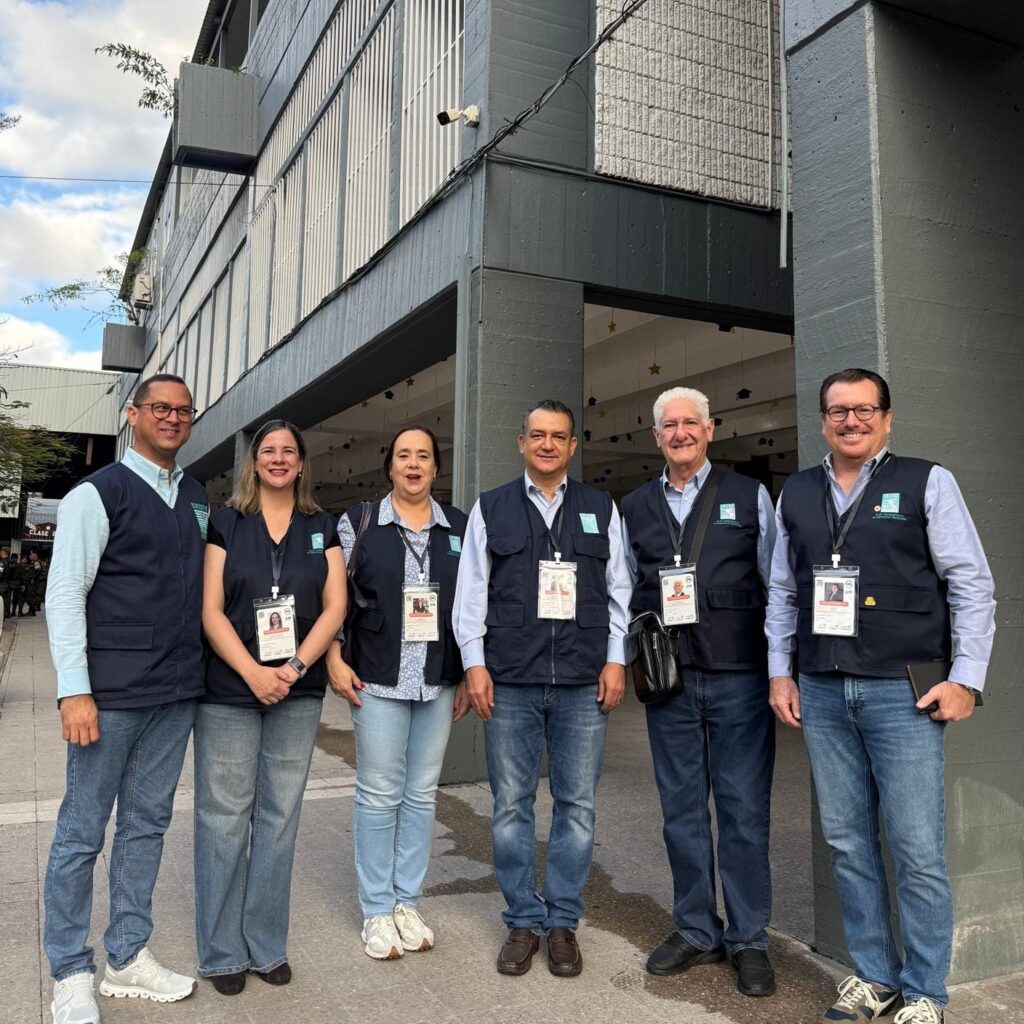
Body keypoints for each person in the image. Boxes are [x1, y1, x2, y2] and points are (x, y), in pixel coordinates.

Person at [766, 368, 996, 1024]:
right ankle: (874, 978)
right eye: (838, 411)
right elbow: (784, 590)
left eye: (865, 410)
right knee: (846, 840)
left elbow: (971, 584)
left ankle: (926, 992)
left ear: (887, 419)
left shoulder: (929, 481)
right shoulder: (799, 492)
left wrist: (967, 678)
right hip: (823, 688)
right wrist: (781, 672)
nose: (851, 421)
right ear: (822, 422)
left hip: (905, 694)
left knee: (916, 846)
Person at [43, 374, 206, 1024]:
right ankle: (69, 968)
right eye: (159, 408)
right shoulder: (97, 494)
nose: (171, 418)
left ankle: (129, 954)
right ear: (133, 415)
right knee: (82, 833)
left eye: (182, 410)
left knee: (146, 827)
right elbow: (64, 594)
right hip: (107, 697)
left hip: (174, 693)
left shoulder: (195, 496)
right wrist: (72, 690)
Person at [452, 399, 631, 978]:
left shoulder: (600, 507)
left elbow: (619, 588)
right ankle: (523, 921)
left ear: (573, 447)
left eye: (559, 437)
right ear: (521, 443)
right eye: (537, 435)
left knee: (576, 806)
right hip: (511, 680)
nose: (548, 444)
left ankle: (562, 923)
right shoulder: (491, 508)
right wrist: (475, 664)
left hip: (583, 681)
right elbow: (471, 592)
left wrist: (615, 659)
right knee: (510, 807)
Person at [620, 386, 777, 998]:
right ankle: (695, 928)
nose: (680, 433)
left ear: (711, 430)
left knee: (742, 809)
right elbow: (622, 588)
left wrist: (780, 667)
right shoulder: (633, 505)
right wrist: (627, 656)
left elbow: (778, 582)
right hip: (670, 682)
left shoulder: (749, 496)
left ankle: (748, 938)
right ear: (655, 436)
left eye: (691, 423)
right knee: (681, 812)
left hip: (739, 675)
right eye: (669, 425)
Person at [195, 419, 346, 994]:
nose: (278, 459)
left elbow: (335, 606)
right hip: (231, 691)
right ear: (254, 464)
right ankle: (220, 952)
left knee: (279, 821)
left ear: (303, 464)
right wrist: (254, 672)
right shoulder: (226, 521)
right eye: (268, 451)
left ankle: (265, 944)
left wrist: (293, 670)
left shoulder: (322, 526)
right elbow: (210, 610)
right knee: (224, 819)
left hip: (295, 692)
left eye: (289, 451)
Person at [326, 426, 469, 960]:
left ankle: (408, 900)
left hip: (436, 677)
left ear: (436, 468)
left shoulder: (458, 526)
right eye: (404, 456)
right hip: (378, 675)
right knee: (380, 792)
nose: (414, 465)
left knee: (422, 793)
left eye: (424, 456)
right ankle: (376, 910)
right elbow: (333, 596)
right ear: (389, 466)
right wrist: (334, 655)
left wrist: (468, 670)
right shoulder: (360, 522)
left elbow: (470, 603)